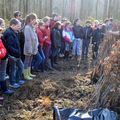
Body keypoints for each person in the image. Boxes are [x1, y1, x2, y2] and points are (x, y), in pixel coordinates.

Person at [4, 18, 24, 88]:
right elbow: (9, 46)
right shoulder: (9, 33)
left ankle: (17, 80)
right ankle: (12, 83)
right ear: (13, 25)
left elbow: (16, 43)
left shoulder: (15, 32)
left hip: (17, 55)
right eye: (18, 26)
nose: (19, 27)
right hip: (12, 55)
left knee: (21, 67)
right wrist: (16, 52)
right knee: (13, 69)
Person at [0, 18, 14, 96]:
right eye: (2, 25)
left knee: (2, 73)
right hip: (2, 57)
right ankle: (4, 90)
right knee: (2, 73)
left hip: (4, 57)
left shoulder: (2, 35)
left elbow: (3, 46)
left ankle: (4, 89)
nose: (3, 27)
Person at [23, 13, 38, 80]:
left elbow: (34, 38)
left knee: (30, 61)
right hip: (28, 48)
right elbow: (28, 39)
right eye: (34, 19)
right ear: (30, 20)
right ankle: (25, 75)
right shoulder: (27, 28)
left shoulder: (31, 27)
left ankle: (29, 73)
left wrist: (35, 48)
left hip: (33, 48)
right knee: (26, 61)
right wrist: (29, 49)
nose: (35, 21)